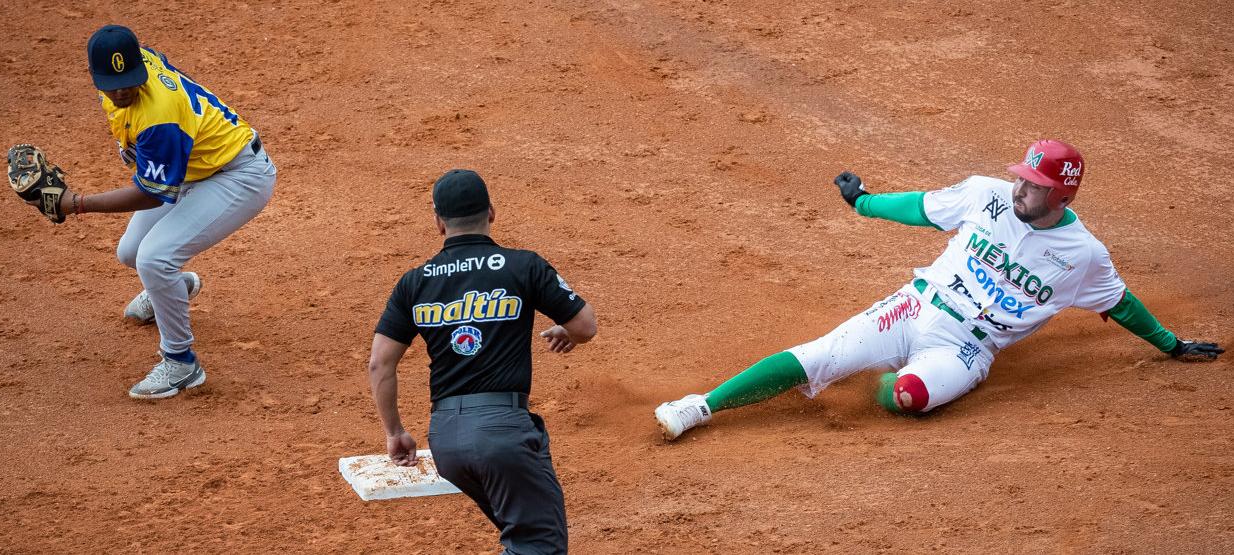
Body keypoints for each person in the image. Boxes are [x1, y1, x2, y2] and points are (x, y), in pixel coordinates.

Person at [654, 139, 1222, 440]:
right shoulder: (986, 195)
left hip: (967, 349)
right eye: (1022, 177)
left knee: (908, 396)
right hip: (915, 304)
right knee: (819, 354)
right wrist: (863, 202)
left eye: (1034, 185)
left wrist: (1171, 345)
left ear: (1063, 197)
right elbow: (923, 208)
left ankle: (879, 386)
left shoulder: (1084, 255)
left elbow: (1120, 303)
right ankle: (701, 406)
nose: (1020, 189)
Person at [25, 25, 276, 399]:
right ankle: (174, 290)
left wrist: (75, 203)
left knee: (155, 258)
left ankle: (181, 364)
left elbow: (151, 194)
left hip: (238, 175)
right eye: (113, 84)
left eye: (129, 80)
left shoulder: (160, 116)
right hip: (194, 168)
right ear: (94, 75)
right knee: (130, 253)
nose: (122, 90)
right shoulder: (131, 67)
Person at [368, 169, 597, 554]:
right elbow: (585, 326)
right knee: (539, 544)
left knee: (524, 537)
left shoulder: (414, 282)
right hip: (503, 437)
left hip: (447, 442)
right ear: (491, 212)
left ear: (439, 222)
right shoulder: (523, 266)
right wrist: (567, 332)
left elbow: (380, 364)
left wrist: (395, 432)